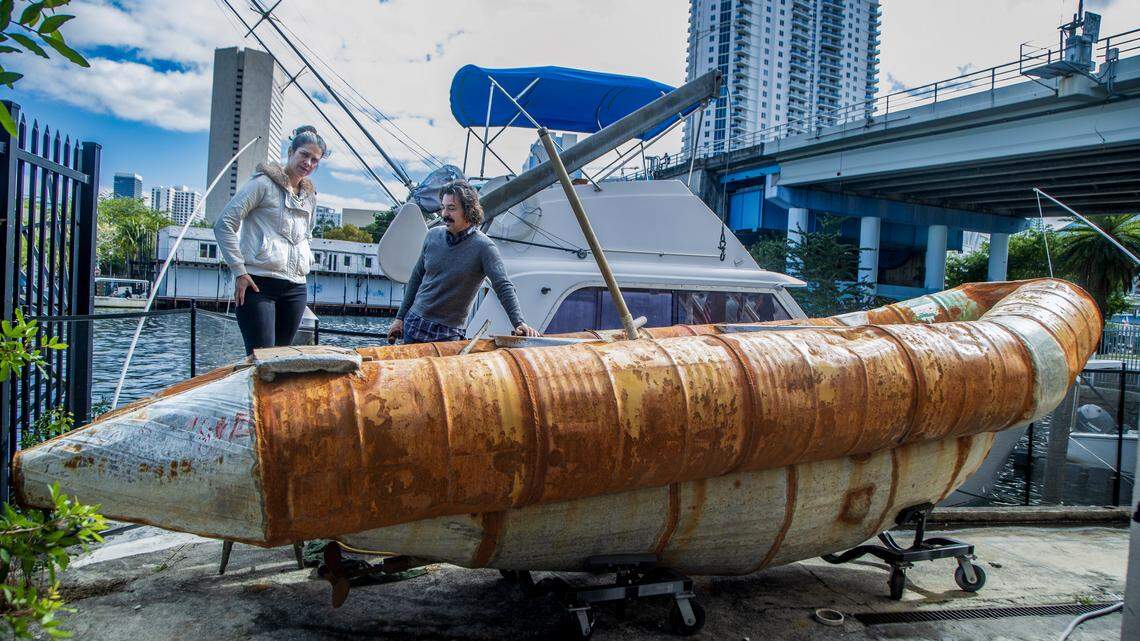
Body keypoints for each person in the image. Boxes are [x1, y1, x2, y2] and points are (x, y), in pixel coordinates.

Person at [214, 125, 326, 355]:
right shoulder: (262, 184)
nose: (308, 163)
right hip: (258, 283)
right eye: (304, 154)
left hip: (296, 287)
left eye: (315, 160)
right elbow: (224, 223)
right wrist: (239, 271)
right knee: (261, 357)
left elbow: (307, 234)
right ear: (290, 152)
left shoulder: (309, 197)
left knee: (281, 357)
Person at [388, 180, 538, 344]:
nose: (444, 213)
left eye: (451, 208)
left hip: (448, 335)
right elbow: (416, 278)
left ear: (468, 210)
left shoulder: (484, 247)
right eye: (443, 207)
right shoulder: (432, 235)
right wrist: (400, 318)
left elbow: (503, 286)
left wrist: (519, 322)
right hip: (414, 325)